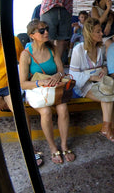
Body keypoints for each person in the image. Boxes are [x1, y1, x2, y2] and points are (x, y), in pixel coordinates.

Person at [0, 14, 44, 167]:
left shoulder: (12, 40)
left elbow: (22, 61)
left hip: (7, 87)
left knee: (20, 113)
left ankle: (29, 149)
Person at [19, 19, 76, 165]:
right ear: (32, 35)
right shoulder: (26, 55)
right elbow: (23, 84)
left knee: (63, 109)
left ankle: (64, 145)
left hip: (53, 89)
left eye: (47, 29)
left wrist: (58, 75)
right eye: (42, 30)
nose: (46, 32)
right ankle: (52, 147)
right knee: (46, 112)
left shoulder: (53, 49)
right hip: (37, 91)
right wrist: (40, 82)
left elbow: (61, 71)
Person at [69, 18, 114, 145]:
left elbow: (105, 64)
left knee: (108, 92)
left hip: (99, 82)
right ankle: (112, 128)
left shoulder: (100, 48)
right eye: (98, 32)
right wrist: (91, 77)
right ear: (90, 34)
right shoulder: (78, 50)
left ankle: (107, 128)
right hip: (84, 84)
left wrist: (105, 69)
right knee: (108, 95)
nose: (102, 34)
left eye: (101, 31)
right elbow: (73, 75)